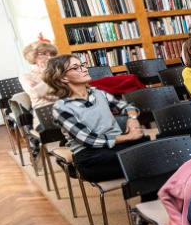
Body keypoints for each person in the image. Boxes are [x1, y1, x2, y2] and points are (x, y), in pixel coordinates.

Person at [45, 55, 146, 183]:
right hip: (91, 156)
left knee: (152, 150)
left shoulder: (98, 93)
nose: (84, 69)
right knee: (145, 159)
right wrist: (128, 137)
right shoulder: (61, 107)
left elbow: (126, 107)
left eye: (83, 65)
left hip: (117, 146)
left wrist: (132, 118)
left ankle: (147, 194)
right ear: (63, 78)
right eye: (76, 67)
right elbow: (89, 140)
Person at [20, 39, 58, 109]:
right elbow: (36, 92)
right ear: (33, 56)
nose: (49, 57)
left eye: (52, 54)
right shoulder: (26, 76)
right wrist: (49, 74)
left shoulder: (59, 71)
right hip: (44, 110)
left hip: (66, 106)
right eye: (44, 54)